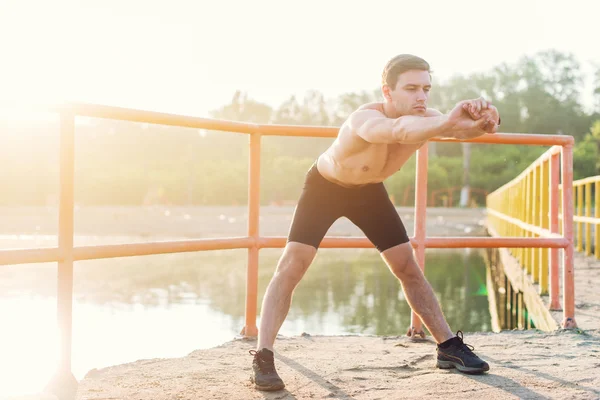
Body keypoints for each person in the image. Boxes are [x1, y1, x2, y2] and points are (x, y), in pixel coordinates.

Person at [249, 54, 500, 391]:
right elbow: (398, 130)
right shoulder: (364, 119)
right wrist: (450, 122)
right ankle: (263, 356)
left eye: (426, 88)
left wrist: (487, 122)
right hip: (325, 187)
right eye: (411, 89)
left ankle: (447, 348)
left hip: (368, 193)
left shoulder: (428, 118)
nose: (421, 97)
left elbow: (464, 131)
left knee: (406, 266)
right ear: (388, 91)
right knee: (293, 264)